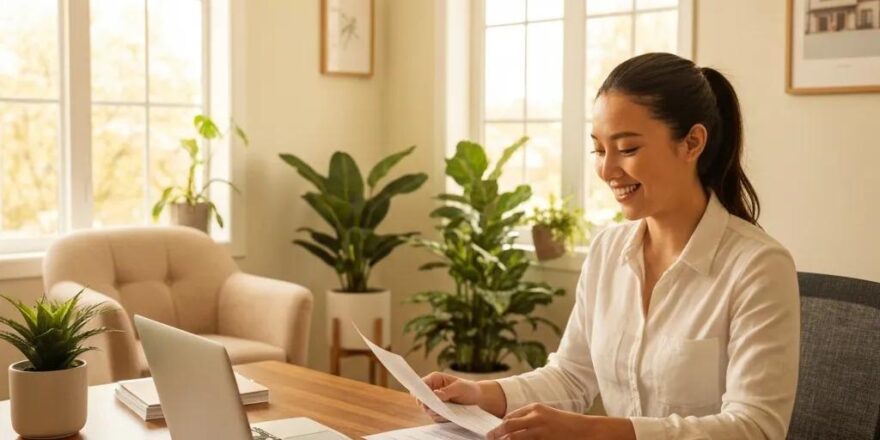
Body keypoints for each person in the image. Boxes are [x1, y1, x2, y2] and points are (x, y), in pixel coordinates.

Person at [420, 52, 800, 439]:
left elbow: (756, 428)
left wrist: (593, 431)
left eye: (628, 149)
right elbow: (571, 377)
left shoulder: (758, 266)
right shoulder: (608, 250)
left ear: (692, 142)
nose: (606, 170)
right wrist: (480, 393)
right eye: (599, 150)